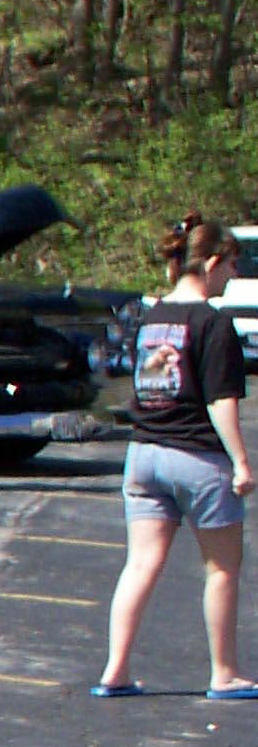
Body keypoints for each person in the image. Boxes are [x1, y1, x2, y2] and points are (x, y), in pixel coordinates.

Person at [93, 216, 254, 699]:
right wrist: (242, 462)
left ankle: (114, 671)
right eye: (229, 266)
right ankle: (223, 673)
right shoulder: (213, 323)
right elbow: (220, 401)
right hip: (197, 458)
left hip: (144, 453)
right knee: (222, 568)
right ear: (209, 263)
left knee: (139, 565)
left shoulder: (151, 316)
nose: (232, 277)